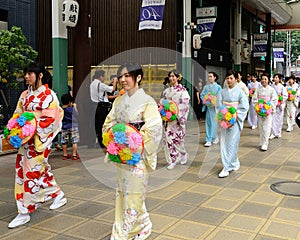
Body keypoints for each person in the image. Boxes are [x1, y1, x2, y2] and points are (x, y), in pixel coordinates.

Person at [103, 63, 162, 239]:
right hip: (123, 154)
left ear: (138, 78)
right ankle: (144, 224)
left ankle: (124, 232)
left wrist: (134, 141)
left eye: (127, 75)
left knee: (134, 193)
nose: (122, 80)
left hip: (137, 155)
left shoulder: (147, 101)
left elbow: (154, 128)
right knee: (124, 192)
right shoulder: (119, 101)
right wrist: (115, 137)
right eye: (120, 76)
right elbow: (109, 122)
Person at [8, 63, 67, 228]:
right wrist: (14, 131)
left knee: (31, 173)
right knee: (27, 171)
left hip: (39, 140)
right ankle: (57, 194)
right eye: (25, 73)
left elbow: (51, 119)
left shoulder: (49, 95)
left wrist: (32, 129)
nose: (27, 77)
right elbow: (17, 115)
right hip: (25, 141)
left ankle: (24, 211)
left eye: (30, 73)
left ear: (40, 75)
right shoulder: (25, 95)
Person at [216, 70, 249, 178]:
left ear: (235, 79)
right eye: (227, 78)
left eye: (231, 78)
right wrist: (222, 117)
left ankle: (228, 167)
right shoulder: (222, 92)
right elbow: (218, 105)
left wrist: (234, 115)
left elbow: (244, 106)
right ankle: (230, 164)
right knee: (225, 143)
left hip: (235, 120)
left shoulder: (240, 92)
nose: (229, 80)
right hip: (225, 120)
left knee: (233, 143)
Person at [161, 70, 190, 170]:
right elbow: (162, 103)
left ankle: (183, 153)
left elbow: (185, 105)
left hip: (177, 119)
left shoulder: (183, 91)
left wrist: (177, 113)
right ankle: (172, 160)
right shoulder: (166, 91)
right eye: (170, 76)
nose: (171, 78)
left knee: (177, 140)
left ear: (178, 77)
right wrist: (163, 111)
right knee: (168, 139)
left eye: (173, 76)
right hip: (167, 119)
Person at [90, 70, 117, 148]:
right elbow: (113, 89)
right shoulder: (100, 85)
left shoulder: (92, 84)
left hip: (93, 106)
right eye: (104, 76)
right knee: (102, 124)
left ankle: (92, 142)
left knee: (95, 124)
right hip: (101, 106)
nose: (104, 78)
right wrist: (115, 81)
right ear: (101, 76)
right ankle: (101, 142)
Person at [252, 73, 278, 151]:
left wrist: (269, 107)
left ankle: (265, 143)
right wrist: (258, 107)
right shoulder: (258, 89)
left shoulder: (271, 89)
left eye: (265, 79)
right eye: (262, 79)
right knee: (261, 127)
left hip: (268, 111)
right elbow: (254, 99)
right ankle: (262, 141)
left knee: (267, 127)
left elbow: (274, 100)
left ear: (268, 80)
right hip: (260, 111)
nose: (264, 80)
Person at [200, 72, 222, 147]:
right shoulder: (206, 87)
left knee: (215, 123)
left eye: (211, 76)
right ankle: (208, 139)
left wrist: (215, 101)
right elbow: (202, 95)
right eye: (208, 76)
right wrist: (205, 100)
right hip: (209, 108)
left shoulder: (218, 87)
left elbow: (220, 97)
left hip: (215, 108)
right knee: (208, 123)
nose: (209, 78)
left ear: (215, 77)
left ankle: (214, 136)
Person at [61, 93, 80, 160]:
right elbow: (77, 115)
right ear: (69, 102)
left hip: (64, 127)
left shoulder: (61, 110)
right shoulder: (71, 109)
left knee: (64, 141)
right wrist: (75, 107)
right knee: (74, 141)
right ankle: (74, 155)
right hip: (73, 127)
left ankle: (65, 154)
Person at [270, 74, 288, 139]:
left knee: (279, 119)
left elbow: (285, 96)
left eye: (276, 77)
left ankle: (278, 132)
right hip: (273, 105)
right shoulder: (271, 86)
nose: (275, 78)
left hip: (279, 105)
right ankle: (273, 133)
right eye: (274, 77)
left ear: (279, 79)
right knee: (272, 119)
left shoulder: (282, 87)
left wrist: (280, 100)